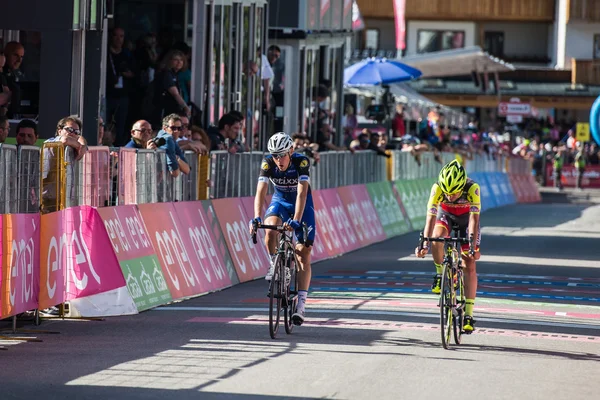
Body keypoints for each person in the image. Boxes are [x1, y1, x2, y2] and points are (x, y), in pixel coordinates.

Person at [249, 132, 316, 326]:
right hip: (279, 200)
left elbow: (302, 194)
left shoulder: (301, 162)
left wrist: (296, 220)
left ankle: (301, 304)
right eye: (275, 155)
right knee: (270, 232)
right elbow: (260, 192)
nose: (278, 159)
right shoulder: (268, 163)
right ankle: (276, 266)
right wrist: (256, 217)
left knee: (303, 251)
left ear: (291, 151)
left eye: (282, 154)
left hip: (300, 204)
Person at [414, 160, 481, 333]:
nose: (450, 196)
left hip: (467, 220)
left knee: (470, 263)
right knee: (436, 238)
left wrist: (473, 246)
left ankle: (469, 315)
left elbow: (474, 220)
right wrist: (424, 243)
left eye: (454, 193)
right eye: (447, 193)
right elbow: (430, 218)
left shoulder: (472, 188)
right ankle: (439, 274)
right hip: (446, 217)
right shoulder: (437, 188)